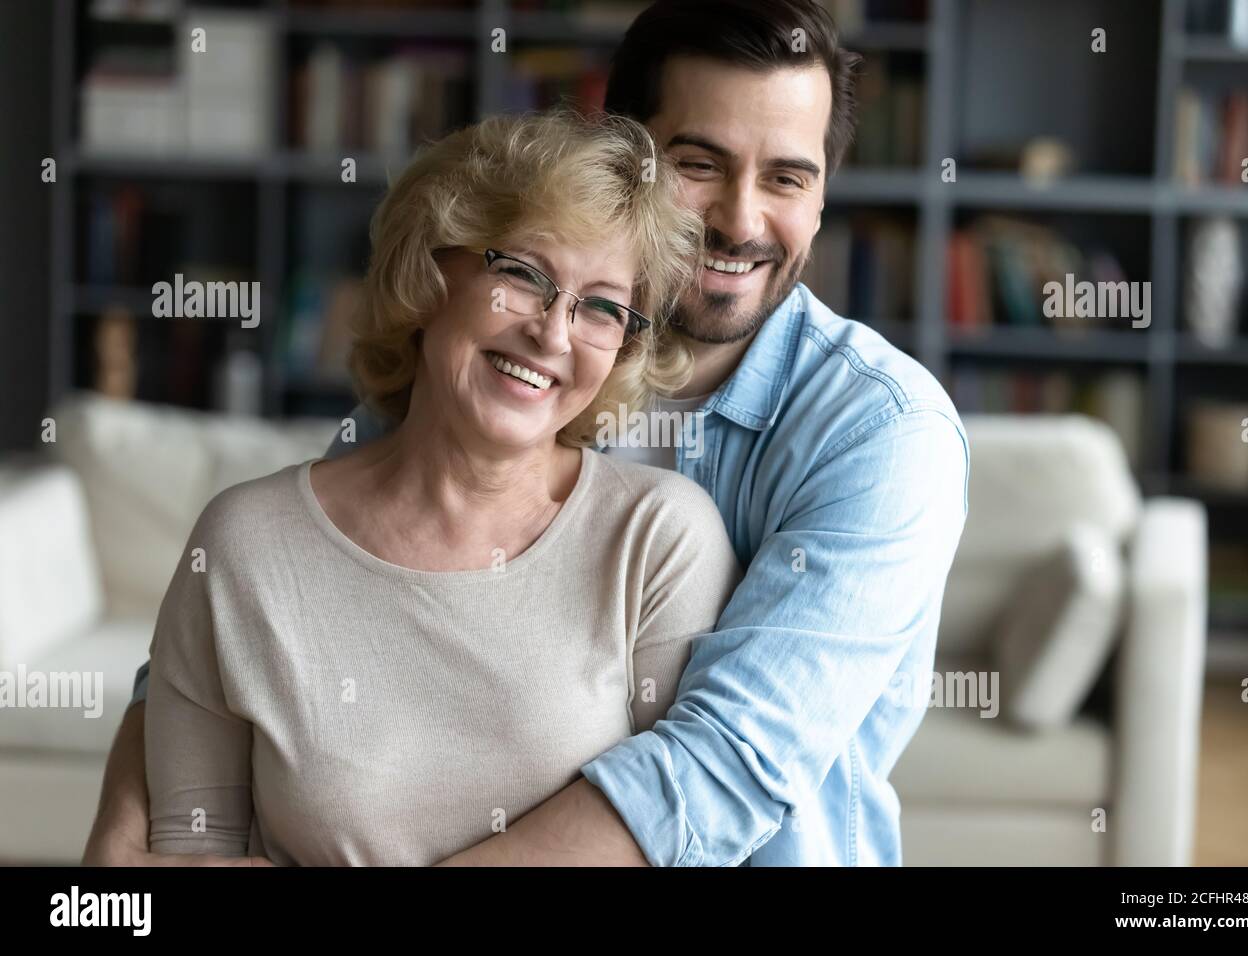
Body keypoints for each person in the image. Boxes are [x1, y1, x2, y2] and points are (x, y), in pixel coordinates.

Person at [85, 0, 969, 868]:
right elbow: (279, 610)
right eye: (700, 162)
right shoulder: (479, 372)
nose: (740, 220)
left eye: (788, 176)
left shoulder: (883, 434)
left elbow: (719, 769)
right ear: (623, 156)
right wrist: (134, 825)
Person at [139, 109, 740, 864]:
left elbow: (675, 845)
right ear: (429, 273)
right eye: (523, 275)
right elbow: (183, 859)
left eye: (601, 307)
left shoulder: (658, 540)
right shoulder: (243, 543)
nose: (554, 334)